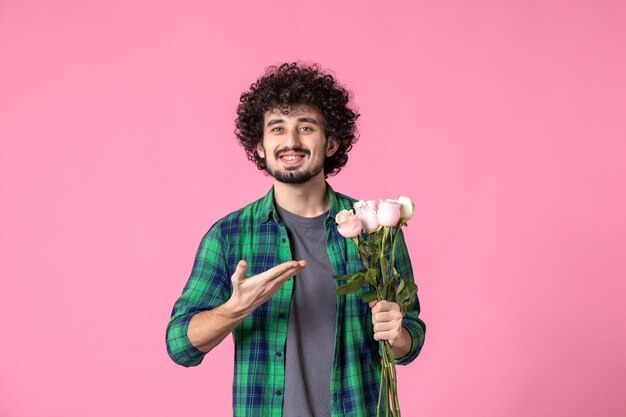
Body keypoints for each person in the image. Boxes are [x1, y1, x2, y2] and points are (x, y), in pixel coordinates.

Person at [166, 62, 425, 417]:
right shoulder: (229, 236)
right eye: (277, 129)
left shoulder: (376, 226)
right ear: (259, 146)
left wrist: (397, 335)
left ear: (331, 142)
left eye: (306, 127)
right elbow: (180, 345)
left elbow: (410, 338)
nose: (291, 142)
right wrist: (234, 309)